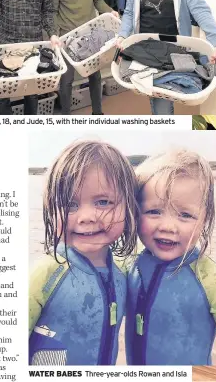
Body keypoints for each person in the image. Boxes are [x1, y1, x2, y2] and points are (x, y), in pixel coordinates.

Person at [28, 140, 138, 366]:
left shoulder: (123, 274)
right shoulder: (46, 272)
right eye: (70, 205)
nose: (86, 216)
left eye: (103, 202)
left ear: (130, 208)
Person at [126, 149, 216, 365]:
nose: (167, 226)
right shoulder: (129, 267)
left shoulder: (208, 278)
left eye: (185, 215)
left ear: (205, 220)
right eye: (154, 212)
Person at [115, 0, 216, 115]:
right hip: (148, 47)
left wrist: (215, 40)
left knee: (184, 86)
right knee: (159, 99)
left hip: (176, 48)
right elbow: (130, 12)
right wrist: (123, 35)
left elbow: (200, 10)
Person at [52, 0, 119, 116]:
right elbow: (53, 11)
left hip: (91, 33)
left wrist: (109, 11)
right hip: (68, 36)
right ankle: (66, 116)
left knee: (94, 75)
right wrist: (55, 35)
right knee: (66, 79)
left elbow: (98, 0)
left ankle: (98, 113)